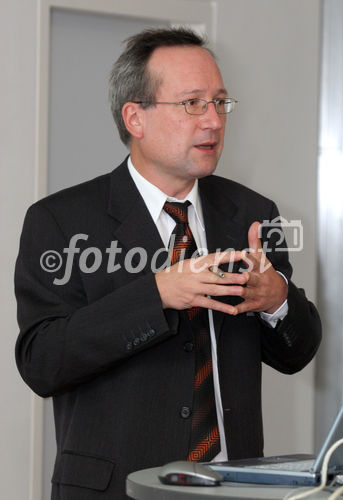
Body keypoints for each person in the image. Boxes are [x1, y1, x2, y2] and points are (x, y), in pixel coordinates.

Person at [15, 28, 321, 500]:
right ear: (135, 117)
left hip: (233, 486)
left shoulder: (252, 213)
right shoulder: (60, 221)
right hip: (117, 489)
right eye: (192, 104)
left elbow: (297, 351)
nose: (213, 122)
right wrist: (156, 295)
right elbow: (42, 362)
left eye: (220, 103)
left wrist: (278, 299)